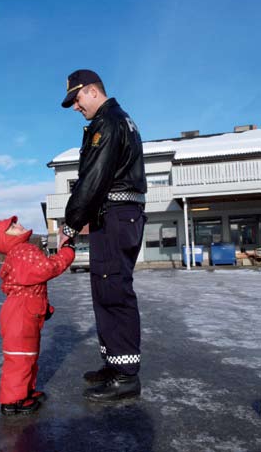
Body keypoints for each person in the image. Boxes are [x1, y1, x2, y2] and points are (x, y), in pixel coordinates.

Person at [59, 69, 147, 402]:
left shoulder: (107, 124)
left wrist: (70, 224)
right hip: (117, 216)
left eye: (77, 98)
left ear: (93, 91)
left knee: (113, 290)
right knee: (106, 288)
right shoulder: (120, 120)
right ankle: (115, 365)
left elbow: (93, 180)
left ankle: (126, 377)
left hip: (115, 217)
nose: (76, 107)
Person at [0, 215, 75, 415]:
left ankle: (25, 391)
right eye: (12, 225)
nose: (18, 224)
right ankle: (13, 402)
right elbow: (46, 269)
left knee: (27, 355)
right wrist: (67, 252)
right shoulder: (23, 250)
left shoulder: (17, 252)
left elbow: (29, 284)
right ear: (5, 238)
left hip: (21, 310)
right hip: (22, 313)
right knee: (20, 357)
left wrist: (45, 308)